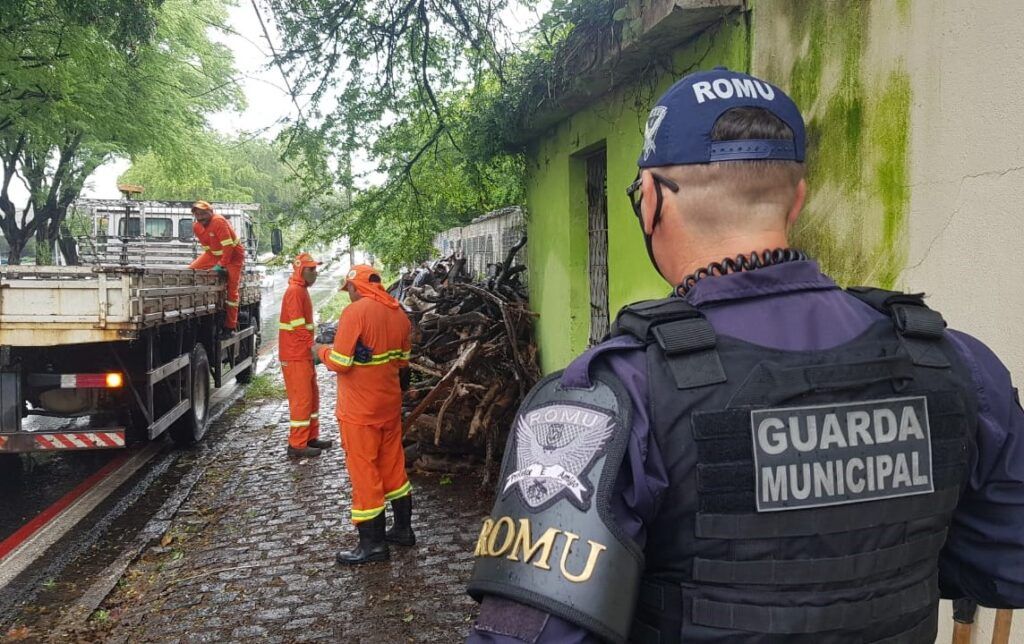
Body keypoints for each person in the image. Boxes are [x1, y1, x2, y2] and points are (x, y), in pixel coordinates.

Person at [466, 67, 1024, 643]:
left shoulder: (609, 396)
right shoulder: (956, 364)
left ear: (652, 200)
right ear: (797, 200)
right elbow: (1003, 567)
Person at [314, 264, 414, 565]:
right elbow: (401, 364)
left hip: (360, 411)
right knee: (393, 466)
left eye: (350, 291)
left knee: (365, 473)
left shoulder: (355, 313)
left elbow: (341, 362)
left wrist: (321, 351)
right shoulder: (398, 313)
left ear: (356, 287)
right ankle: (403, 530)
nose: (349, 296)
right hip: (388, 405)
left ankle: (372, 545)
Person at [279, 252, 333, 458]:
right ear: (301, 270)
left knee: (311, 396)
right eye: (312, 270)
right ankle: (297, 444)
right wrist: (313, 346)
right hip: (294, 355)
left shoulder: (300, 290)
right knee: (301, 399)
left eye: (315, 269)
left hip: (300, 354)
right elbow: (297, 325)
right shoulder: (294, 291)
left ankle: (310, 437)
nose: (315, 273)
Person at [188, 200, 244, 335]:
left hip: (233, 257)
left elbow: (228, 247)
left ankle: (230, 326)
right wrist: (213, 263)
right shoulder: (196, 227)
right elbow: (208, 248)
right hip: (213, 255)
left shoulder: (219, 221)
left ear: (210, 212)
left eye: (203, 213)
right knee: (190, 271)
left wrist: (221, 265)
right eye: (197, 214)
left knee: (231, 291)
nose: (200, 217)